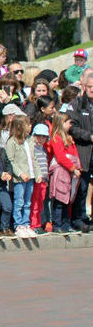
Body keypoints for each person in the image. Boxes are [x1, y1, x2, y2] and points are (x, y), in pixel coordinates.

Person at [66, 74, 93, 232]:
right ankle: (78, 218)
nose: (92, 90)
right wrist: (89, 136)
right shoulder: (76, 104)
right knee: (81, 187)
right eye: (90, 87)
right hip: (83, 151)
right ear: (84, 87)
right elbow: (73, 127)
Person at [48, 112, 81, 233]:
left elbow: (74, 154)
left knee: (67, 200)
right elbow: (60, 157)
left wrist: (78, 167)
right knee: (59, 200)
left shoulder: (68, 137)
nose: (70, 125)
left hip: (70, 172)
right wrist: (73, 168)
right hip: (61, 171)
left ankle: (66, 225)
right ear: (62, 123)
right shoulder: (56, 137)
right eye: (68, 123)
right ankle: (57, 226)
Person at [5, 114, 36, 238]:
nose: (30, 126)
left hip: (31, 176)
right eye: (27, 124)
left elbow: (33, 159)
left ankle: (26, 223)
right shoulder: (12, 142)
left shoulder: (29, 140)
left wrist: (38, 174)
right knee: (19, 201)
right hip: (20, 178)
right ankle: (18, 225)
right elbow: (10, 160)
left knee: (28, 202)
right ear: (19, 127)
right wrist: (20, 173)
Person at [29, 122, 52, 235]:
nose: (41, 139)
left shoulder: (43, 149)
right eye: (39, 136)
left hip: (43, 181)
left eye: (44, 136)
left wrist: (46, 179)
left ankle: (38, 223)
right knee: (35, 203)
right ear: (34, 135)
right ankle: (34, 225)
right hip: (36, 180)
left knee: (40, 203)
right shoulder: (32, 148)